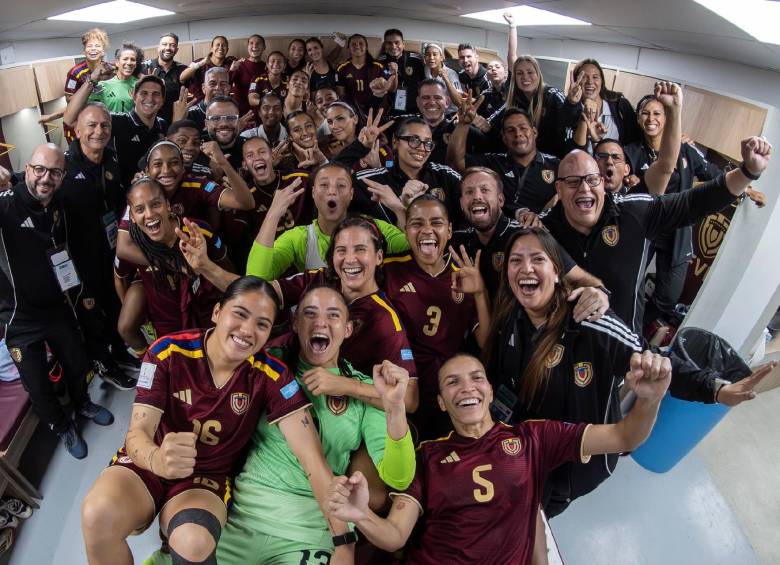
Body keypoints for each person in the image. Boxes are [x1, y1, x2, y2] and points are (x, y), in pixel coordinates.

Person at [81, 276, 350, 565]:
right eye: (240, 314)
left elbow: (313, 461)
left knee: (193, 541)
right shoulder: (166, 352)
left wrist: (344, 543)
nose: (247, 330)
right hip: (147, 463)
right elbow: (137, 434)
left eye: (262, 324)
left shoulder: (272, 375)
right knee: (97, 514)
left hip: (204, 480)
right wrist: (158, 459)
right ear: (217, 312)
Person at [327, 351, 671, 565]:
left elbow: (625, 436)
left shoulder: (533, 437)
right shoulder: (428, 458)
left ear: (490, 391)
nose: (467, 387)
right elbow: (395, 536)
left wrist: (651, 400)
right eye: (452, 383)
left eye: (477, 378)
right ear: (442, 402)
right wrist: (361, 515)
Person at [177, 215, 419, 409]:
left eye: (360, 249)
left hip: (322, 404)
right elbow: (256, 294)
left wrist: (345, 385)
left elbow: (409, 399)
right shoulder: (321, 278)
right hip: (276, 374)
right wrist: (205, 266)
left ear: (378, 257)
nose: (350, 259)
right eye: (341, 250)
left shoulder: (385, 319)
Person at [541, 136, 773, 333]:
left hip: (622, 349)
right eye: (573, 182)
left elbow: (693, 202)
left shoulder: (634, 212)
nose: (584, 188)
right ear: (559, 189)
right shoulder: (542, 232)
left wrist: (747, 172)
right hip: (564, 347)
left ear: (602, 183)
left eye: (592, 180)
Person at [0, 144, 114, 459]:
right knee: (38, 386)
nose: (45, 178)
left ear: (62, 176)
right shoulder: (6, 206)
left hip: (57, 308)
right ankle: (62, 426)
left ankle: (83, 404)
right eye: (39, 170)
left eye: (54, 172)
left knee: (77, 364)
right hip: (19, 321)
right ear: (28, 169)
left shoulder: (60, 204)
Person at [383, 195, 490, 439]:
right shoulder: (389, 269)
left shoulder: (463, 274)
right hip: (403, 388)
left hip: (448, 392)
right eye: (417, 223)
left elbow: (484, 341)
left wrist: (481, 293)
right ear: (406, 230)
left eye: (436, 222)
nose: (427, 230)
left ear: (450, 230)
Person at [625, 90, 721, 335]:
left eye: (657, 113)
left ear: (667, 118)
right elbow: (622, 187)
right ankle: (626, 321)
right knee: (628, 280)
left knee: (669, 295)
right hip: (645, 227)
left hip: (677, 232)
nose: (651, 118)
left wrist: (744, 186)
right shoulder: (631, 152)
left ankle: (638, 327)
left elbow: (712, 174)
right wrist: (632, 181)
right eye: (645, 113)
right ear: (638, 120)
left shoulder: (686, 150)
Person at [60, 102, 137, 389]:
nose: (98, 131)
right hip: (79, 257)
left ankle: (119, 352)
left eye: (104, 125)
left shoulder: (113, 160)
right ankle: (103, 363)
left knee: (115, 302)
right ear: (77, 130)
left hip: (110, 248)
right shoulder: (63, 168)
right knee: (91, 313)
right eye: (91, 125)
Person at [451, 166, 610, 304]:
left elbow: (583, 279)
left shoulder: (528, 235)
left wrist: (599, 294)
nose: (477, 196)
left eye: (485, 190)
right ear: (461, 203)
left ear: (500, 199)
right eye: (469, 192)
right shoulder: (458, 241)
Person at [114, 178, 230, 349]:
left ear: (168, 205)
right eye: (139, 209)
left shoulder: (195, 231)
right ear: (132, 216)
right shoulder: (133, 245)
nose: (149, 214)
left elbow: (227, 271)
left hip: (204, 317)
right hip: (165, 325)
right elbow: (120, 278)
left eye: (155, 204)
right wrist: (144, 321)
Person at [245, 161, 408, 280]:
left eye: (341, 186)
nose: (332, 191)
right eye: (324, 185)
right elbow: (256, 276)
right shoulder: (300, 238)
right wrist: (273, 214)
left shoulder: (375, 229)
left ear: (351, 194)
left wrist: (400, 210)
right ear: (314, 193)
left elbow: (415, 250)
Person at [115, 140, 253, 266]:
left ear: (183, 168)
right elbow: (123, 248)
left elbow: (246, 203)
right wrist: (174, 266)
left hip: (200, 253)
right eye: (157, 164)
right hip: (161, 261)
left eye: (174, 163)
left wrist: (223, 163)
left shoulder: (196, 184)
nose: (166, 170)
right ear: (147, 171)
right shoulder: (140, 194)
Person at [449, 101, 559, 217]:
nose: (518, 134)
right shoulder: (493, 163)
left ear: (534, 132)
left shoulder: (556, 165)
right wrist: (464, 124)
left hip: (541, 232)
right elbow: (456, 163)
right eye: (511, 130)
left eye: (523, 128)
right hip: (499, 233)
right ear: (504, 138)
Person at [219, 136, 311, 271]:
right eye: (250, 155)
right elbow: (238, 242)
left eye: (262, 152)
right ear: (245, 164)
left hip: (307, 252)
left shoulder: (300, 179)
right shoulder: (247, 198)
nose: (257, 157)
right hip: (273, 262)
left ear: (272, 156)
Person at [353, 116, 463, 227]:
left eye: (428, 143)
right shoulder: (370, 181)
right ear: (395, 142)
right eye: (414, 140)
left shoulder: (446, 177)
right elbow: (336, 180)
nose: (422, 148)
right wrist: (358, 148)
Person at [64, 74, 167, 187]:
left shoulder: (162, 124)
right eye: (144, 93)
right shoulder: (118, 121)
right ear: (133, 96)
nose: (150, 99)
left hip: (152, 192)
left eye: (156, 94)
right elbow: (69, 119)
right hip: (120, 195)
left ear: (162, 100)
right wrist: (92, 80)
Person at [40, 28, 109, 144]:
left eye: (97, 46)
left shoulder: (109, 70)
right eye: (89, 46)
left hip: (99, 121)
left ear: (103, 51)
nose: (93, 49)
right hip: (77, 124)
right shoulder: (75, 73)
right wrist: (88, 92)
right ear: (84, 51)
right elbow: (69, 101)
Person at [567, 58, 641, 148]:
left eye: (595, 77)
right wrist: (571, 104)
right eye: (584, 77)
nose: (590, 82)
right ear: (576, 82)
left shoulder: (620, 105)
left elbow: (636, 141)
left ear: (602, 81)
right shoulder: (570, 110)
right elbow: (569, 150)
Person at [323, 101, 393, 171]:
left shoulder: (384, 151)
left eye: (340, 118)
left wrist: (378, 167)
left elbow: (392, 179)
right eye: (329, 122)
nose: (334, 126)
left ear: (355, 119)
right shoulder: (331, 151)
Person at [336, 34, 388, 115]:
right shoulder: (342, 68)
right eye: (353, 44)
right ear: (348, 48)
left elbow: (386, 88)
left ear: (366, 47)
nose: (357, 46)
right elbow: (341, 95)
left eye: (361, 43)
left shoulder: (378, 66)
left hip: (375, 110)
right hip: (353, 112)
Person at [141, 33, 188, 124]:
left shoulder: (183, 70)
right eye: (164, 44)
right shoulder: (144, 67)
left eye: (172, 45)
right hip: (149, 122)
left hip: (174, 122)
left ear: (176, 50)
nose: (168, 48)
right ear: (158, 47)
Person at [378, 29, 426, 115]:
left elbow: (424, 83)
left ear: (403, 44)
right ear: (385, 45)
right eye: (389, 43)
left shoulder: (416, 59)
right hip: (390, 110)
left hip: (414, 109)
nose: (393, 46)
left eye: (397, 42)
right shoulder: (380, 62)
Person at [86, 42, 144, 113]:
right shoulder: (102, 86)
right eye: (125, 59)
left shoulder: (140, 85)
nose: (129, 63)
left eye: (132, 59)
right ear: (117, 62)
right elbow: (91, 111)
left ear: (135, 64)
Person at [180, 35, 236, 103]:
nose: (220, 47)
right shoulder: (200, 62)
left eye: (223, 45)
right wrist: (200, 63)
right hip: (198, 104)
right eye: (217, 45)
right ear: (212, 48)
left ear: (227, 49)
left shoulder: (230, 64)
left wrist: (232, 70)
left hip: (218, 105)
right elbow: (182, 77)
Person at [183, 66, 232, 133]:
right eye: (212, 84)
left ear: (229, 89)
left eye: (223, 84)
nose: (218, 88)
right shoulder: (190, 114)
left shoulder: (233, 113)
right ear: (204, 88)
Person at [203, 96, 246, 171]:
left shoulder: (251, 149)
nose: (224, 124)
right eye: (216, 118)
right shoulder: (195, 148)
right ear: (206, 124)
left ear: (239, 122)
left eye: (231, 118)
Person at [229, 34, 267, 117]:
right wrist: (231, 70)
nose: (255, 46)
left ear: (264, 47)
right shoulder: (239, 65)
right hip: (241, 113)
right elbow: (227, 84)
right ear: (248, 47)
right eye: (251, 43)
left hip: (261, 113)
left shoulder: (267, 67)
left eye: (258, 43)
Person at [422, 43, 462, 112]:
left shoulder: (451, 74)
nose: (431, 58)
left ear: (441, 57)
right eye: (428, 55)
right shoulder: (426, 70)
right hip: (432, 111)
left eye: (435, 54)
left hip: (449, 114)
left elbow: (459, 102)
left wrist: (446, 80)